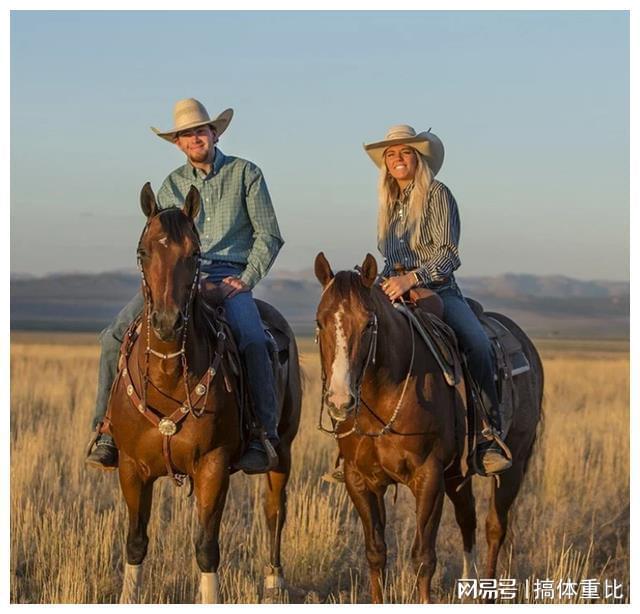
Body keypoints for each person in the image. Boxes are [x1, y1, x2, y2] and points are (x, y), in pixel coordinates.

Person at [86, 98, 283, 474]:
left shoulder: (246, 174)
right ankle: (106, 429)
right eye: (186, 134)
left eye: (201, 130)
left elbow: (269, 235)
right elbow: (155, 243)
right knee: (113, 337)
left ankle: (262, 433)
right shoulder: (172, 185)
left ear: (214, 133)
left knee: (255, 341)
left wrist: (244, 280)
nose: (195, 138)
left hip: (227, 275)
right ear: (178, 143)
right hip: (176, 279)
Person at [362, 124, 511, 475]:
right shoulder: (390, 202)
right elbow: (388, 259)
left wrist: (410, 278)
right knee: (359, 338)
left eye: (405, 152)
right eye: (392, 154)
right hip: (392, 286)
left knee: (476, 344)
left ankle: (488, 432)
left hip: (438, 288)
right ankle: (358, 441)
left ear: (418, 158)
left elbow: (448, 255)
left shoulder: (437, 194)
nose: (398, 159)